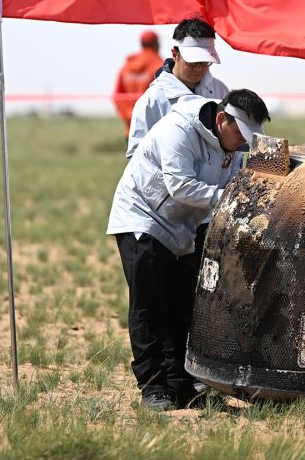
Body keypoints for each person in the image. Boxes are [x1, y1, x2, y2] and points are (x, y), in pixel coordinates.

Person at [107, 89, 271, 410]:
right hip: (144, 218)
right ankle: (152, 387)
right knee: (150, 306)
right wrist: (229, 197)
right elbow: (180, 186)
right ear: (222, 119)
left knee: (182, 306)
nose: (243, 142)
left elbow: (234, 184)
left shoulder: (234, 145)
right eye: (240, 133)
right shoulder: (177, 131)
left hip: (182, 227)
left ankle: (181, 385)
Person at [126, 18, 230, 159]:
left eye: (205, 62)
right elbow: (137, 157)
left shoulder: (220, 91)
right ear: (175, 54)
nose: (199, 68)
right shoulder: (152, 100)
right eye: (192, 62)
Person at [112, 30, 162, 135]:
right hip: (154, 130)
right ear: (156, 44)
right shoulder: (160, 65)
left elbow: (117, 96)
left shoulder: (126, 68)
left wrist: (128, 115)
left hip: (131, 129)